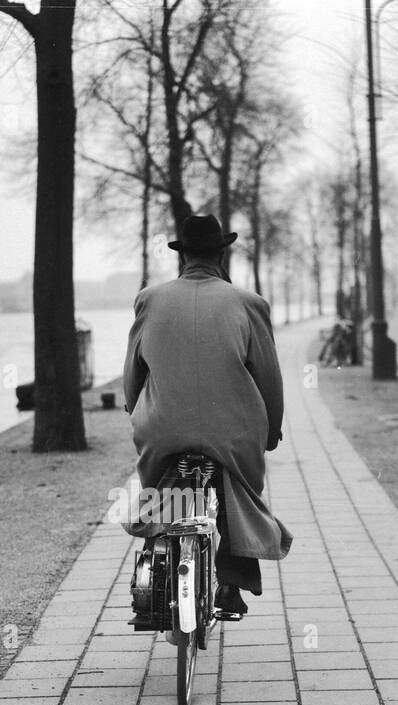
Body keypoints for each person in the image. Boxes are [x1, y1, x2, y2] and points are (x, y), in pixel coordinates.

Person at [122, 214, 292, 618]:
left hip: (162, 428)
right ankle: (231, 585)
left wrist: (136, 410)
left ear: (182, 256)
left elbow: (134, 372)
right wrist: (271, 430)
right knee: (238, 493)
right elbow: (268, 378)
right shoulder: (249, 304)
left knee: (162, 488)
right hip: (232, 432)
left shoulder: (149, 299)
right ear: (221, 253)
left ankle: (154, 572)